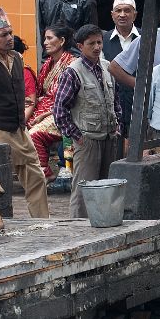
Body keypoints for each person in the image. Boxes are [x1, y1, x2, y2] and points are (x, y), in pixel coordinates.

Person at [0, 7, 49, 217]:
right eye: (4, 35)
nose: (10, 38)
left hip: (18, 129)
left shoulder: (16, 58)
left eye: (11, 33)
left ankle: (42, 221)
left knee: (36, 176)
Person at [53, 24, 122, 218]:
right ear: (80, 46)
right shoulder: (72, 72)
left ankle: (105, 223)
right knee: (84, 189)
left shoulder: (108, 67)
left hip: (109, 137)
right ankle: (77, 227)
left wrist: (118, 126)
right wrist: (78, 137)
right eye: (91, 43)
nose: (97, 47)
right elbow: (59, 111)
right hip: (87, 140)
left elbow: (116, 101)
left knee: (107, 186)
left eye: (99, 42)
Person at [27, 25, 76, 180]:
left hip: (64, 113)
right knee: (19, 129)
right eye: (45, 38)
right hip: (45, 108)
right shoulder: (48, 63)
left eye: (49, 38)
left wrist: (43, 115)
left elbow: (70, 101)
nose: (45, 42)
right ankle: (32, 171)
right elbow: (42, 93)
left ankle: (45, 173)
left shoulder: (72, 64)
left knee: (33, 134)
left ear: (62, 41)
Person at [103, 0, 139, 135]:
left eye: (127, 10)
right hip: (113, 105)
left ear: (134, 14)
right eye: (118, 11)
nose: (122, 14)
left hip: (139, 103)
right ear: (112, 15)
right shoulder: (103, 40)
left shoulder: (145, 37)